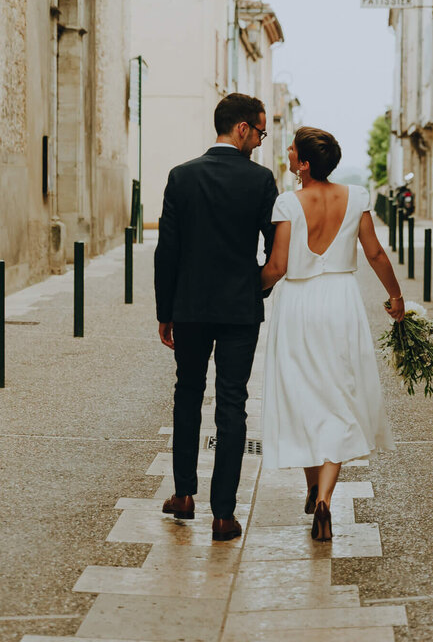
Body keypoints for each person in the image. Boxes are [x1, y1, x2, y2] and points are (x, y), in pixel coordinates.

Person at [260, 126, 404, 542]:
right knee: (340, 396)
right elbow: (374, 252)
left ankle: (310, 486)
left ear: (304, 163)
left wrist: (249, 290)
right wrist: (395, 296)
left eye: (291, 149)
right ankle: (323, 498)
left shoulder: (287, 202)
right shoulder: (356, 196)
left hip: (299, 306)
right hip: (342, 303)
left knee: (303, 395)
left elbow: (278, 266)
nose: (286, 152)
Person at [154, 93, 278, 542]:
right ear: (242, 128)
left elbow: (167, 250)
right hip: (240, 310)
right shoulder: (262, 181)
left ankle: (183, 494)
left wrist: (164, 310)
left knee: (187, 394)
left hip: (188, 308)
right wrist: (256, 285)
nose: (260, 142)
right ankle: (223, 514)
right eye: (260, 132)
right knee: (232, 403)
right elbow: (275, 249)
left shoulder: (182, 177)